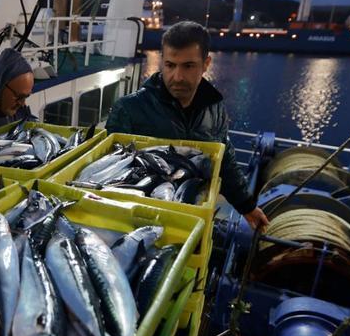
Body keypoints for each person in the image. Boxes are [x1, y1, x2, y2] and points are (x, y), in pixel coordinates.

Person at [106, 21, 269, 231]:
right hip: (139, 222)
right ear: (162, 62)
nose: (178, 77)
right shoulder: (128, 108)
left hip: (194, 217)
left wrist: (247, 206)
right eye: (170, 65)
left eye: (188, 66)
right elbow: (112, 169)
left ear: (206, 64)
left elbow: (224, 159)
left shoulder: (215, 107)